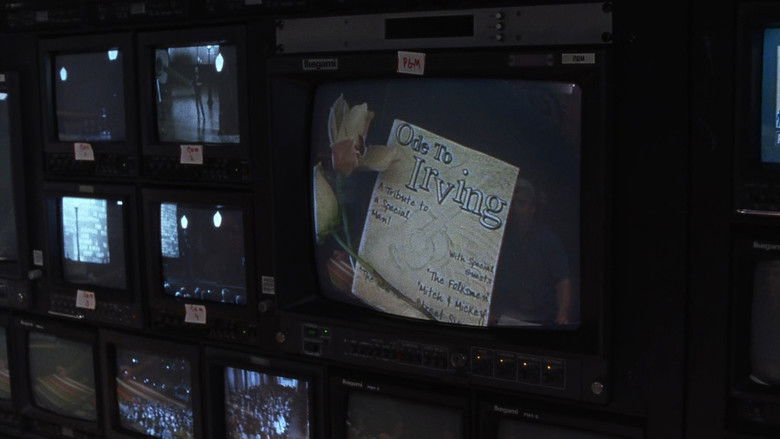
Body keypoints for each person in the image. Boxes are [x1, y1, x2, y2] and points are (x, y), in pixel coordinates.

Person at [490, 178, 574, 327]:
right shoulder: (496, 237)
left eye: (521, 203)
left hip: (541, 319)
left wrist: (562, 315)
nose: (514, 208)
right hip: (503, 318)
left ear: (532, 208)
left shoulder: (547, 240)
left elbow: (563, 280)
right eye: (511, 203)